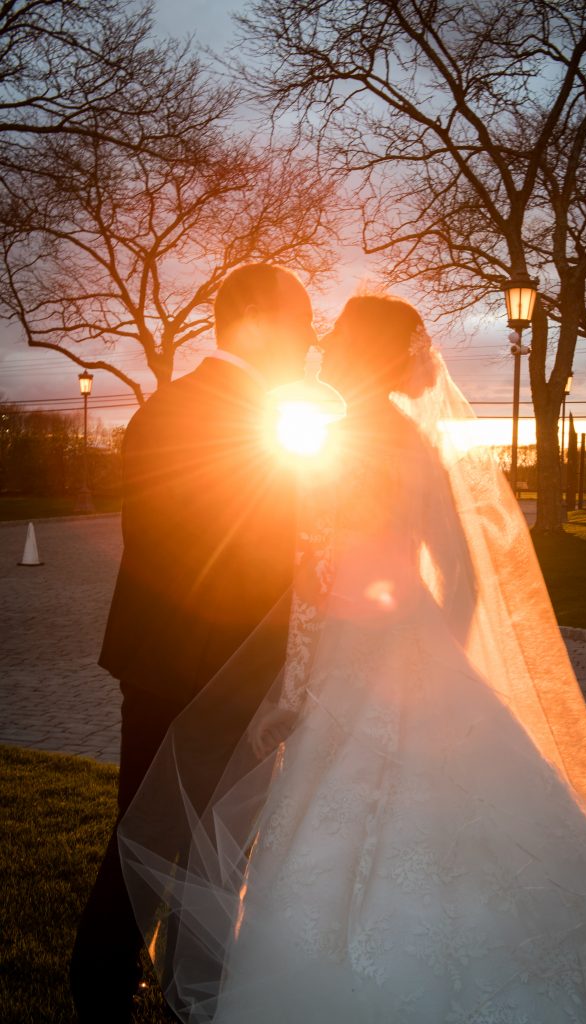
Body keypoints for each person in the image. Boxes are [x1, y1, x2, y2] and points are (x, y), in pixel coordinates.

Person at [118, 295, 586, 1023]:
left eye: (334, 343)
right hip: (424, 659)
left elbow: (314, 584)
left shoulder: (338, 445)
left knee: (327, 819)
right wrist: (438, 662)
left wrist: (292, 693)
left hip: (351, 667)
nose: (320, 352)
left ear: (356, 354)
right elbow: (465, 581)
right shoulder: (417, 445)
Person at [70, 263, 316, 1023]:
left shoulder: (194, 404)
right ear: (259, 325)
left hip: (182, 662)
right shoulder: (223, 414)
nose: (306, 347)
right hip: (198, 669)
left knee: (196, 839)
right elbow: (198, 550)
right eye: (301, 329)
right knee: (154, 834)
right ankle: (106, 978)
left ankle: (177, 979)